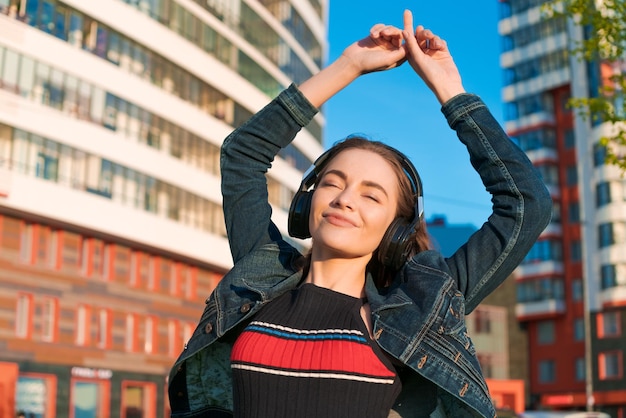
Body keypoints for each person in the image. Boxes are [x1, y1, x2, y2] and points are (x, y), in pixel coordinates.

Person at [168, 9, 551, 418]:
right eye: (333, 182)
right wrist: (349, 65)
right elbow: (242, 155)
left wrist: (449, 89)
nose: (345, 199)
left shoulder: (419, 306)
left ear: (397, 229)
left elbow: (526, 203)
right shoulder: (260, 274)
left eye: (372, 196)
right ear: (307, 201)